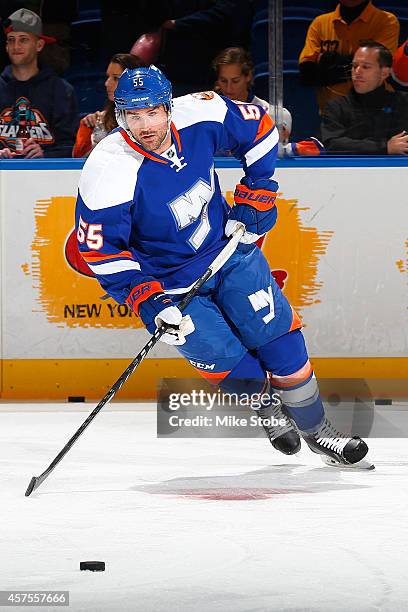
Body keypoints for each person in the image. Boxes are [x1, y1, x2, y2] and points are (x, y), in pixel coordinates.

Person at [75, 64, 373, 469]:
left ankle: (319, 433)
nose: (144, 125)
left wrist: (258, 193)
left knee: (283, 346)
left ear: (168, 107)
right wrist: (148, 301)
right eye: (132, 114)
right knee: (229, 361)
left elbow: (262, 129)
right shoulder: (107, 170)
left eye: (152, 112)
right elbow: (101, 253)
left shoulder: (203, 112)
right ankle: (267, 409)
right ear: (120, 114)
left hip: (229, 252)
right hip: (172, 287)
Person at [213, 47, 324, 157]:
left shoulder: (275, 114)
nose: (228, 88)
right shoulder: (206, 111)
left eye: (235, 81)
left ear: (248, 76)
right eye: (223, 81)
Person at [0, 8, 78, 158]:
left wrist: (45, 154)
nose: (16, 46)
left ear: (39, 45)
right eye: (11, 40)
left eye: (23, 39)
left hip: (46, 177)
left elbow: (71, 146)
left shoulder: (61, 91)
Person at [299, 0, 400, 113]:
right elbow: (307, 75)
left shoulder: (387, 21)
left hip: (375, 111)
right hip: (332, 114)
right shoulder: (319, 23)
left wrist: (327, 61)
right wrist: (362, 65)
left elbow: (378, 68)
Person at [321, 41, 408, 155]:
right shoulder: (336, 107)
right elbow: (332, 144)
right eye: (354, 66)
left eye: (366, 67)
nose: (357, 72)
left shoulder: (403, 102)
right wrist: (384, 147)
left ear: (384, 73)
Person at [73, 53, 143, 158]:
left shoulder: (157, 122)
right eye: (108, 77)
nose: (107, 83)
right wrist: (86, 131)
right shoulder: (99, 121)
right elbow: (77, 161)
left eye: (116, 78)